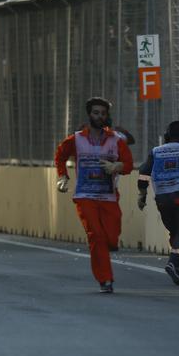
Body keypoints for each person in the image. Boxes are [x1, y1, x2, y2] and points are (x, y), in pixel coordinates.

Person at [54, 97, 134, 293]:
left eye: (103, 113)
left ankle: (110, 244)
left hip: (108, 196)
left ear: (107, 116)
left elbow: (129, 164)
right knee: (96, 236)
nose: (99, 116)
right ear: (89, 114)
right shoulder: (77, 139)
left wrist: (117, 166)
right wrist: (63, 177)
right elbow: (60, 155)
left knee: (111, 235)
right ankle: (105, 279)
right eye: (96, 113)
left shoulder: (116, 140)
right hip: (85, 196)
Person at [137, 121, 179, 285]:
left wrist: (142, 194)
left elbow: (144, 172)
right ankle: (174, 262)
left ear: (167, 135)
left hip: (162, 200)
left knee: (177, 233)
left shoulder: (156, 151)